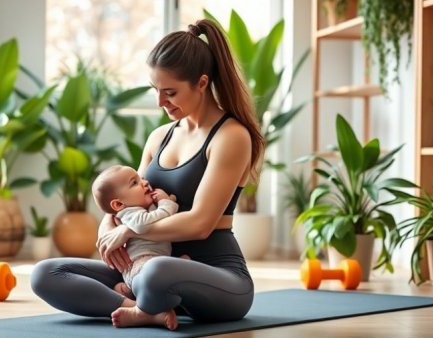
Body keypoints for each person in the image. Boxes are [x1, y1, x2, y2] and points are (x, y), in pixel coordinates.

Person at [31, 19, 265, 331]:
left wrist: (128, 232)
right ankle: (144, 309)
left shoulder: (231, 136)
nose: (160, 102)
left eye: (170, 92)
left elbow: (200, 224)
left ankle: (148, 300)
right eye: (156, 90)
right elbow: (126, 203)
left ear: (202, 83)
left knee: (158, 272)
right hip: (141, 269)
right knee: (46, 274)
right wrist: (107, 228)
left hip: (216, 276)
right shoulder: (159, 137)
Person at [91, 165, 178, 298]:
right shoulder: (129, 213)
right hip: (140, 263)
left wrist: (166, 202)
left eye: (141, 178)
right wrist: (166, 203)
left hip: (152, 260)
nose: (145, 182)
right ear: (119, 205)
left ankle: (128, 293)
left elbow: (158, 217)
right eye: (135, 183)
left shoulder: (141, 207)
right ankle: (137, 301)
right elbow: (142, 224)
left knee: (160, 271)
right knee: (154, 273)